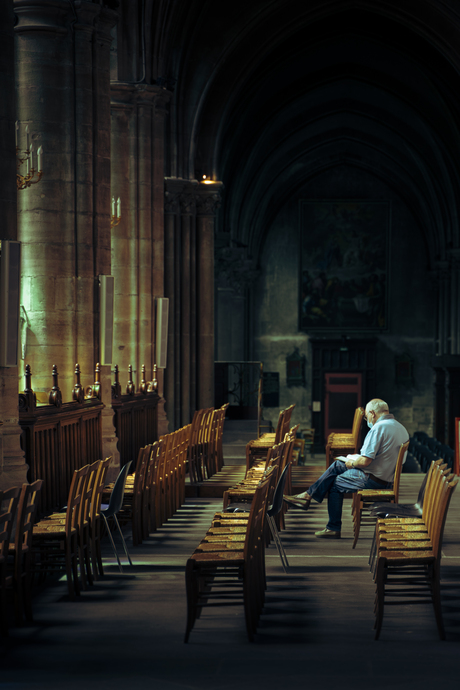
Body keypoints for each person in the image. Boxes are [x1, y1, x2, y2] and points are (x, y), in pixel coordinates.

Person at [283, 398, 409, 538]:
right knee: (337, 465)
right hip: (386, 478)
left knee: (334, 483)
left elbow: (365, 461)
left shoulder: (379, 428)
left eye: (367, 417)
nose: (367, 420)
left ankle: (332, 526)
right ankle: (307, 496)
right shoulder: (400, 427)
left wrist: (352, 463)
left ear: (373, 413)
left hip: (373, 479)